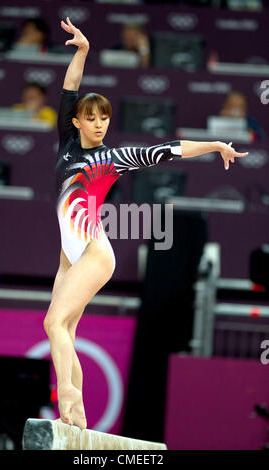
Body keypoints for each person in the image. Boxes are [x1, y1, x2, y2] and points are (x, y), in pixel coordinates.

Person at [43, 17, 249, 429]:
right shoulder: (67, 142)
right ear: (78, 122)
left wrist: (212, 145)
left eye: (105, 118)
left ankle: (67, 398)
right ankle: (77, 414)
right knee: (62, 330)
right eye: (92, 117)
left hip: (95, 253)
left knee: (53, 323)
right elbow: (70, 89)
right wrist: (82, 51)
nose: (99, 124)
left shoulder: (112, 159)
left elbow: (169, 149)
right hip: (70, 254)